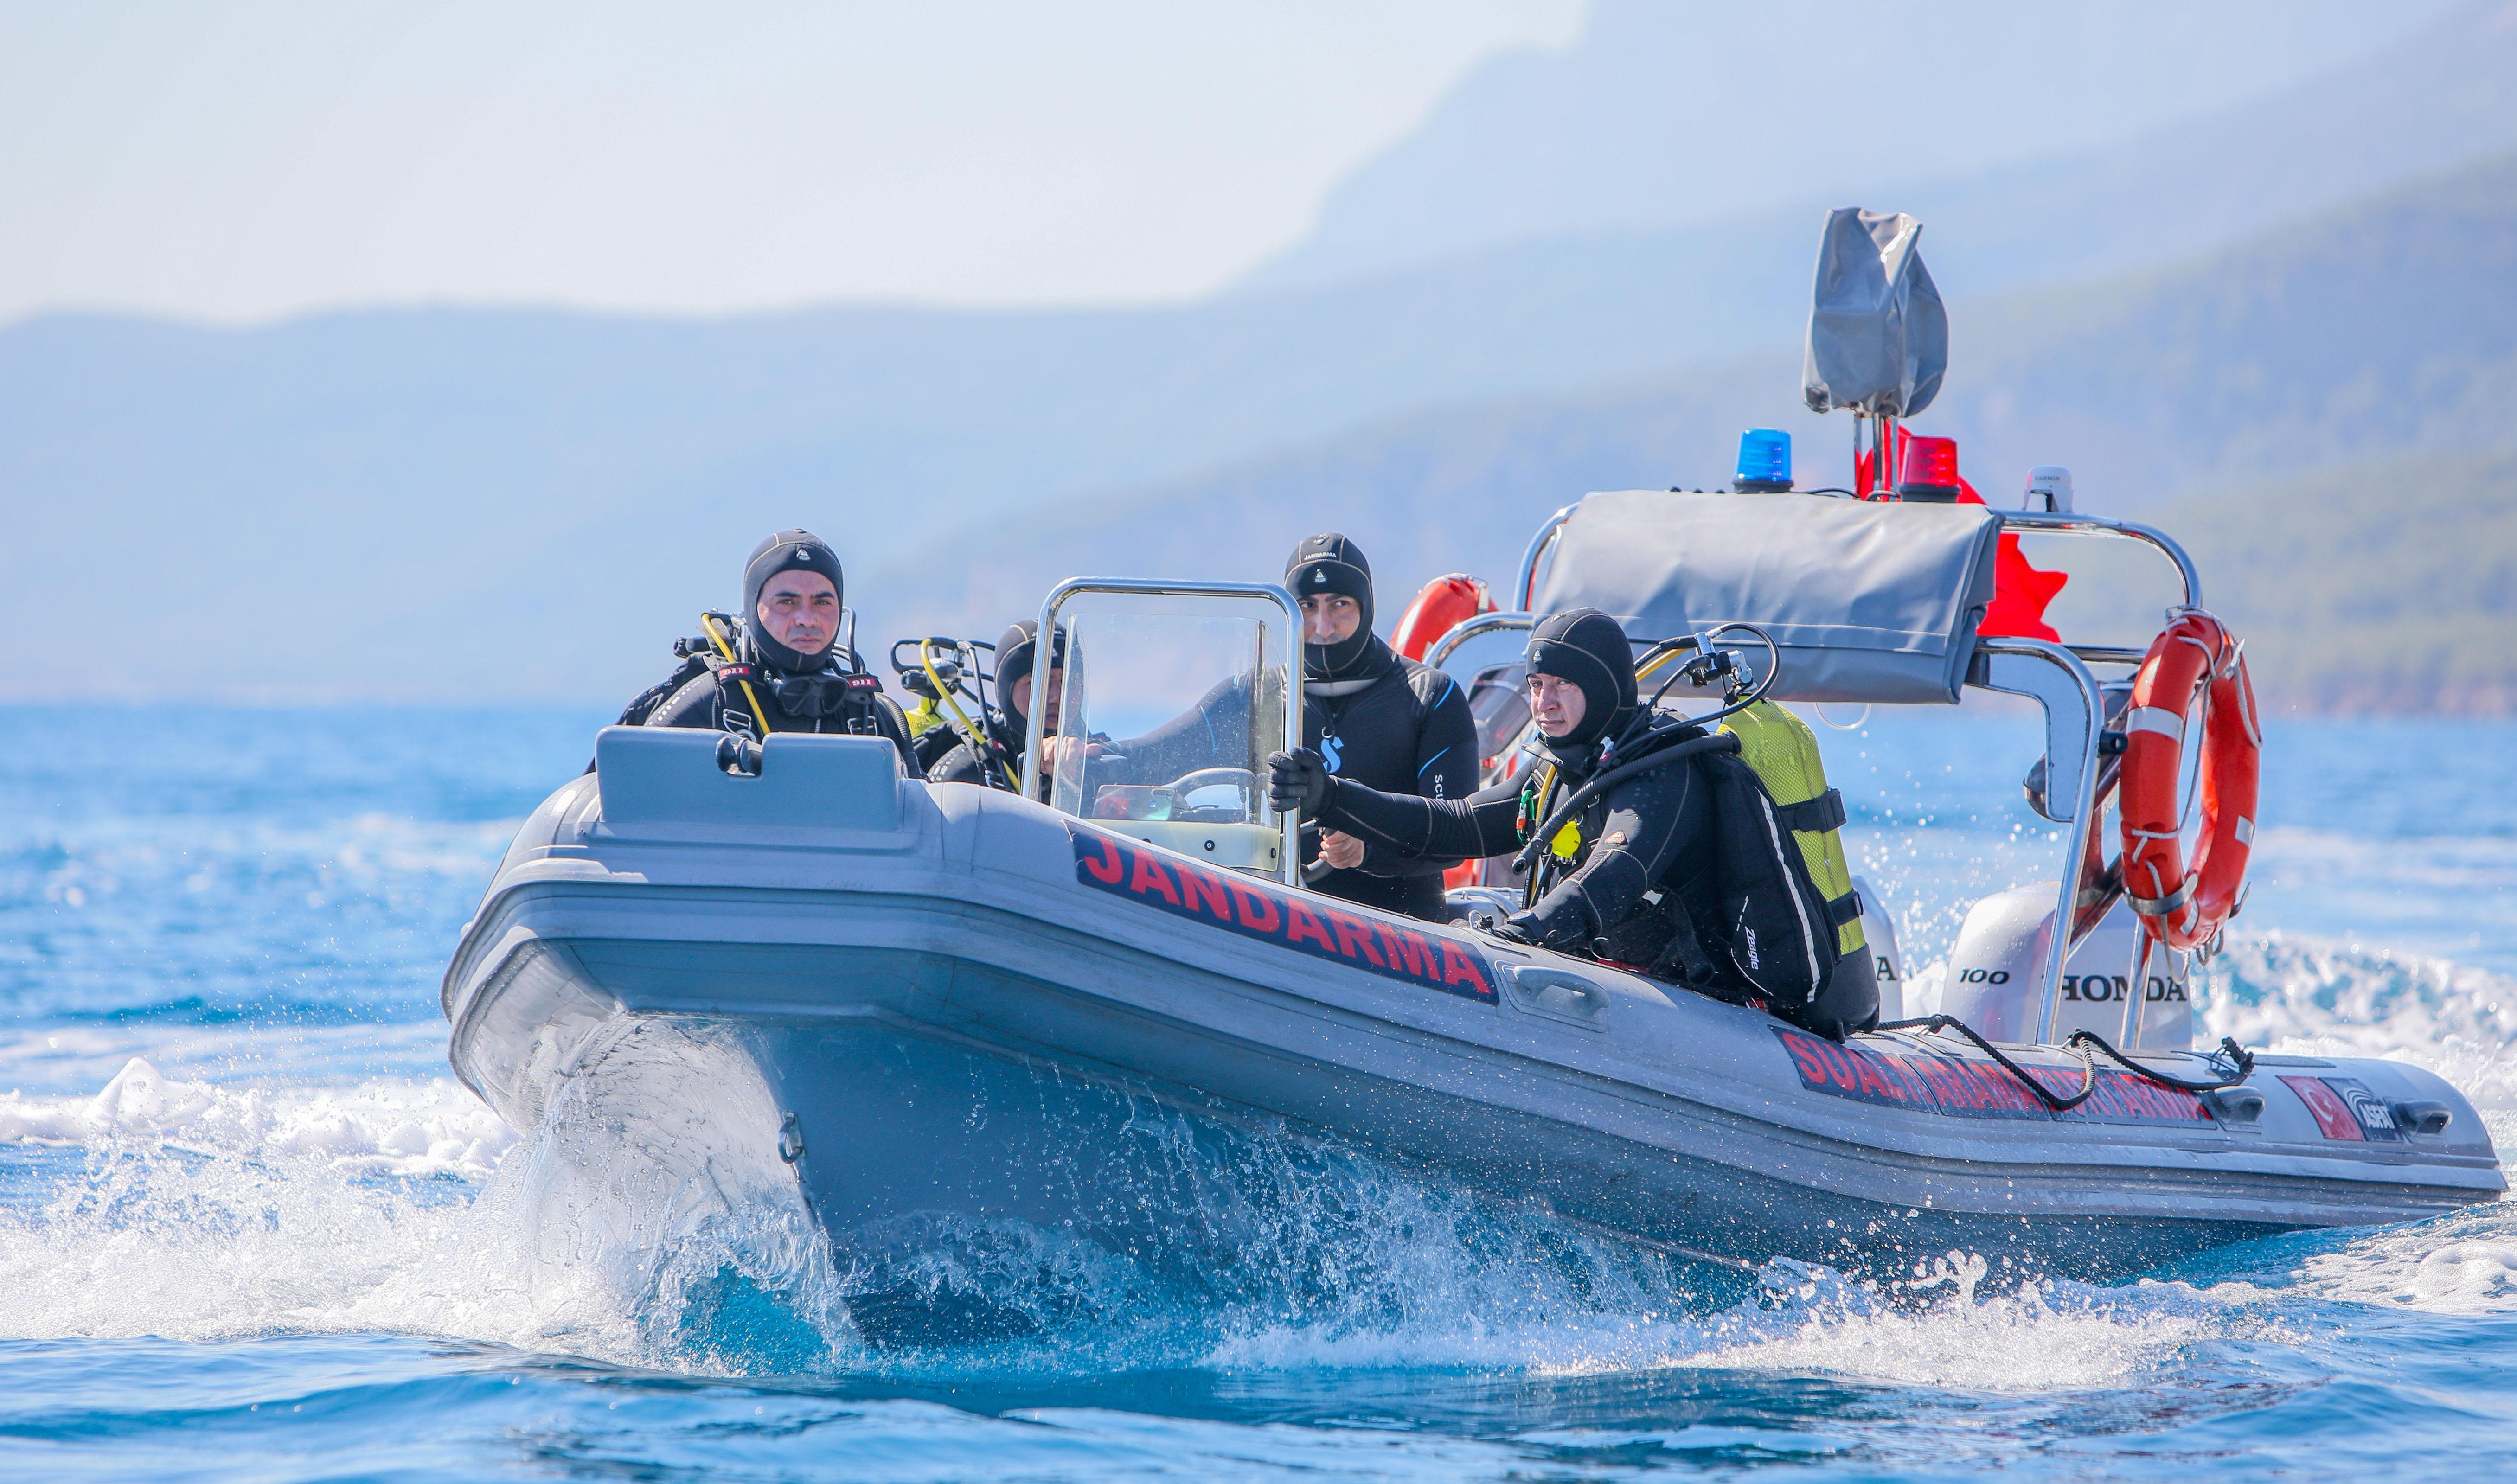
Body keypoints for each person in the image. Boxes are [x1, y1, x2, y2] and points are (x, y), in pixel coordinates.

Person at [1267, 608, 1876, 1038]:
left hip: (1710, 1016)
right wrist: (1332, 798)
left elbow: (1610, 878)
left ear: (1603, 685)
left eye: (1561, 685)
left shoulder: (1661, 774)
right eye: (1534, 685)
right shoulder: (1560, 770)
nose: (1542, 703)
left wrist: (1512, 939)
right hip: (1619, 996)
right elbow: (1455, 825)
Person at [1075, 534, 1478, 919]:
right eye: (1306, 606)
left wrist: (1368, 852)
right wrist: (1080, 757)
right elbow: (1158, 754)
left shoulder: (1428, 696)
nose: (1323, 626)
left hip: (1399, 930)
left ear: (1366, 605)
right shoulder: (1256, 694)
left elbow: (1454, 834)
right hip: (1281, 922)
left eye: (1339, 604)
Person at [637, 530, 922, 774]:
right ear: (753, 609)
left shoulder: (868, 714)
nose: (807, 619)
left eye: (823, 603)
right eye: (787, 602)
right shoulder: (714, 703)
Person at [926, 619, 1064, 792]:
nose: (1056, 697)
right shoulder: (969, 768)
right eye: (1039, 683)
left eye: (1066, 681)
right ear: (1006, 689)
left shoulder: (1095, 760)